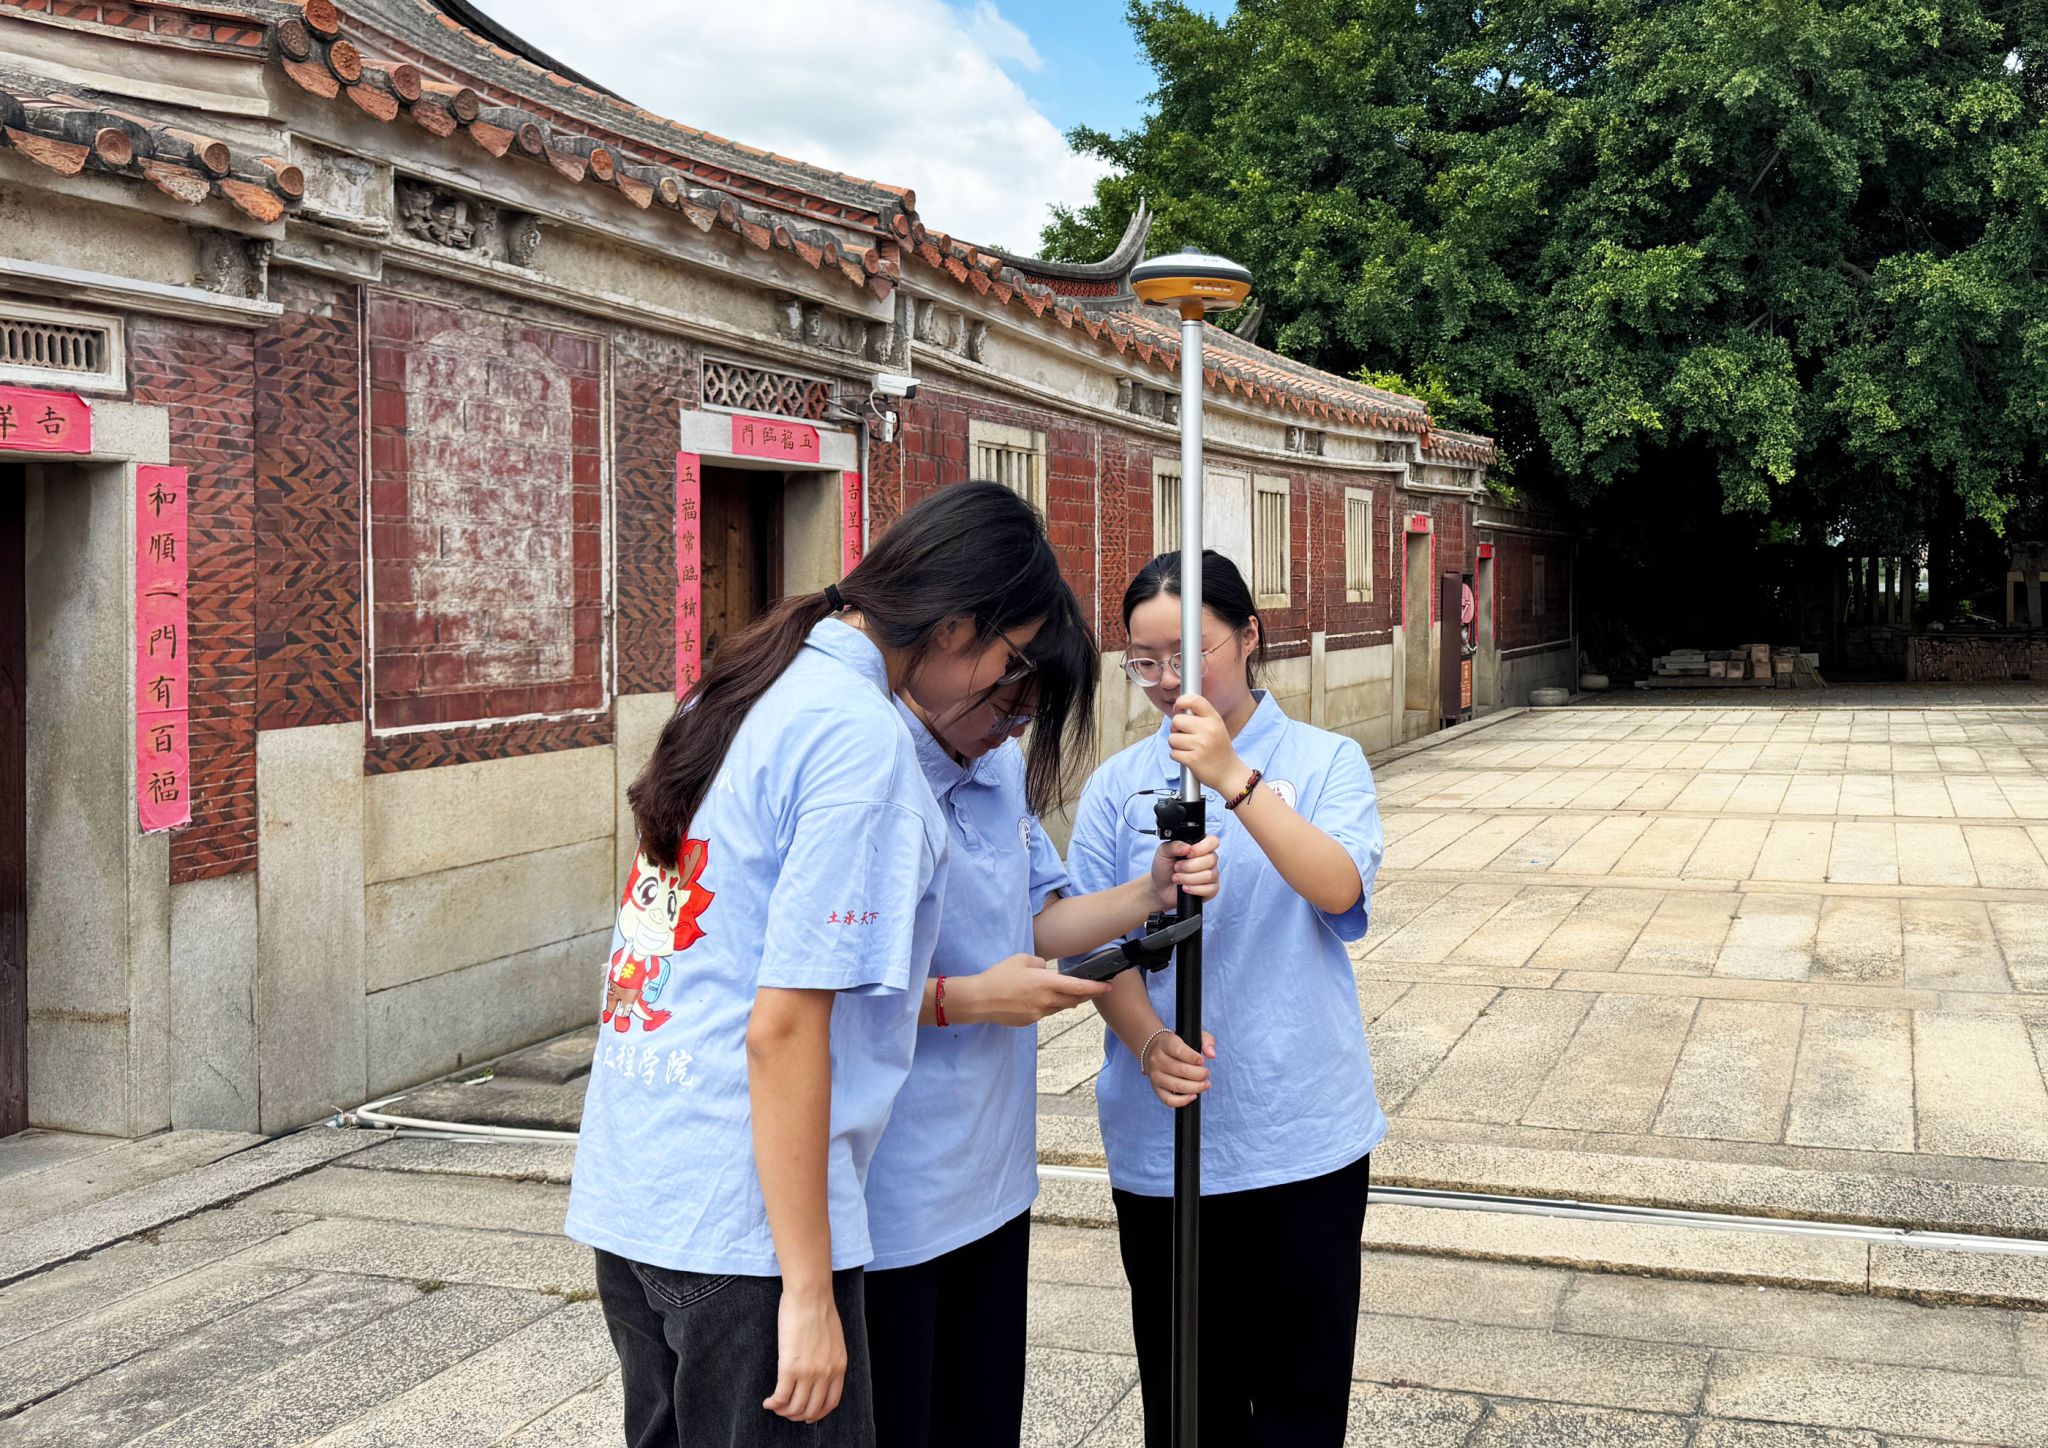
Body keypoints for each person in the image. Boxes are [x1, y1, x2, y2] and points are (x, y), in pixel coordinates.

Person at [566, 482, 1080, 1448]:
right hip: (744, 1225)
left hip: (640, 1188)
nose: (1010, 698)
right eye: (1012, 662)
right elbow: (784, 1027)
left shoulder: (748, 682)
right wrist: (807, 1290)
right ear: (955, 625)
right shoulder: (859, 739)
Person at [863, 588, 1220, 1448]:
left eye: (1030, 716)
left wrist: (1147, 893)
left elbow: (1039, 919)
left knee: (983, 1415)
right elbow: (822, 988)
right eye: (1007, 707)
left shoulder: (994, 767)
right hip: (892, 1178)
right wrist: (968, 999)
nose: (1013, 732)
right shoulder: (870, 766)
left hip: (991, 1170)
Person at [1066, 548, 1388, 1448]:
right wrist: (1146, 1040)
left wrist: (1233, 779)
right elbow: (1090, 946)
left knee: (1300, 1403)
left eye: (1189, 653)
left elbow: (1338, 888)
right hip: (1163, 1141)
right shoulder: (1115, 785)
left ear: (1248, 636)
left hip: (1300, 1137)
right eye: (1145, 662)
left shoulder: (1325, 761)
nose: (1169, 681)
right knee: (1187, 1407)